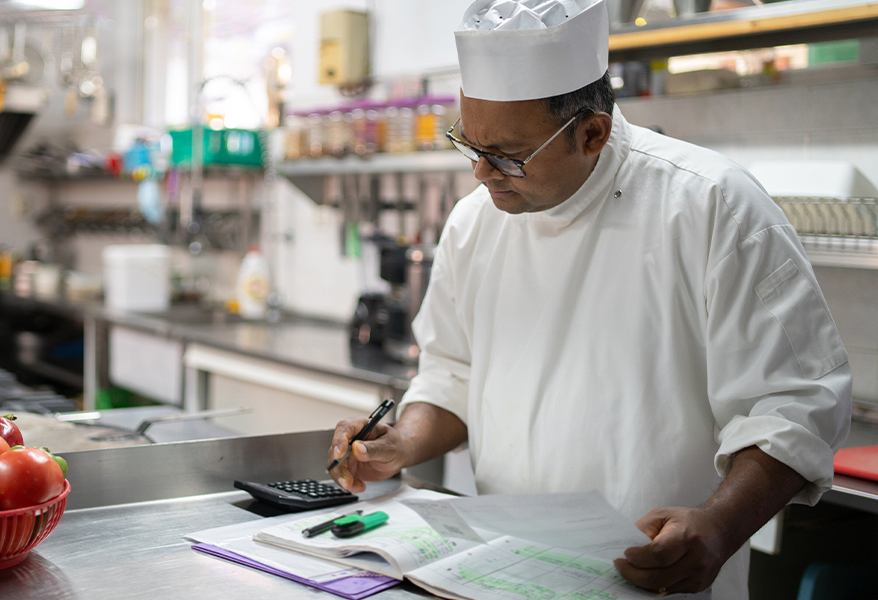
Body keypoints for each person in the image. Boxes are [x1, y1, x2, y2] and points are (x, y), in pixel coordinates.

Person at [327, 0, 852, 597]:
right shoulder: (475, 223)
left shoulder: (713, 208)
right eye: (469, 146)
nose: (480, 173)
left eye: (505, 156)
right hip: (501, 576)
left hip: (652, 579)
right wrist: (404, 442)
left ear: (592, 133)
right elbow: (452, 374)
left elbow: (793, 406)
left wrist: (720, 525)